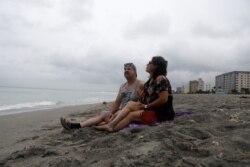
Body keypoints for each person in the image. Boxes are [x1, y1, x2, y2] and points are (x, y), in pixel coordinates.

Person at [95, 56, 175, 132]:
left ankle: (111, 127)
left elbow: (163, 99)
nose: (147, 64)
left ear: (156, 66)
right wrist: (138, 102)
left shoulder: (160, 78)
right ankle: (110, 124)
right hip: (151, 109)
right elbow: (145, 97)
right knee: (129, 104)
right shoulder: (150, 81)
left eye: (150, 62)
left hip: (161, 114)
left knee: (130, 115)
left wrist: (145, 106)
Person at [60, 63, 144, 130]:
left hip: (129, 112)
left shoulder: (139, 84)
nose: (126, 71)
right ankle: (76, 125)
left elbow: (143, 100)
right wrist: (111, 112)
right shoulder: (122, 86)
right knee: (104, 114)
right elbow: (117, 102)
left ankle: (104, 124)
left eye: (129, 69)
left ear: (135, 72)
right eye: (125, 69)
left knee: (110, 118)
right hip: (120, 111)